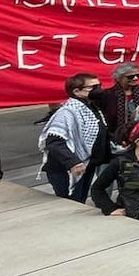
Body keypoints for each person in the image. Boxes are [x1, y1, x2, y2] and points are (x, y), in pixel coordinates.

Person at [39, 72, 110, 202]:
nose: (99, 90)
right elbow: (54, 142)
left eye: (99, 85)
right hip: (67, 169)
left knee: (80, 200)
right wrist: (73, 162)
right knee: (70, 203)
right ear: (77, 91)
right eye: (93, 87)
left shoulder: (92, 108)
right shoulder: (67, 112)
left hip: (86, 164)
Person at [92, 62, 139, 146]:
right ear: (118, 78)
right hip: (115, 138)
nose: (135, 78)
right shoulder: (107, 95)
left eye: (138, 75)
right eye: (130, 76)